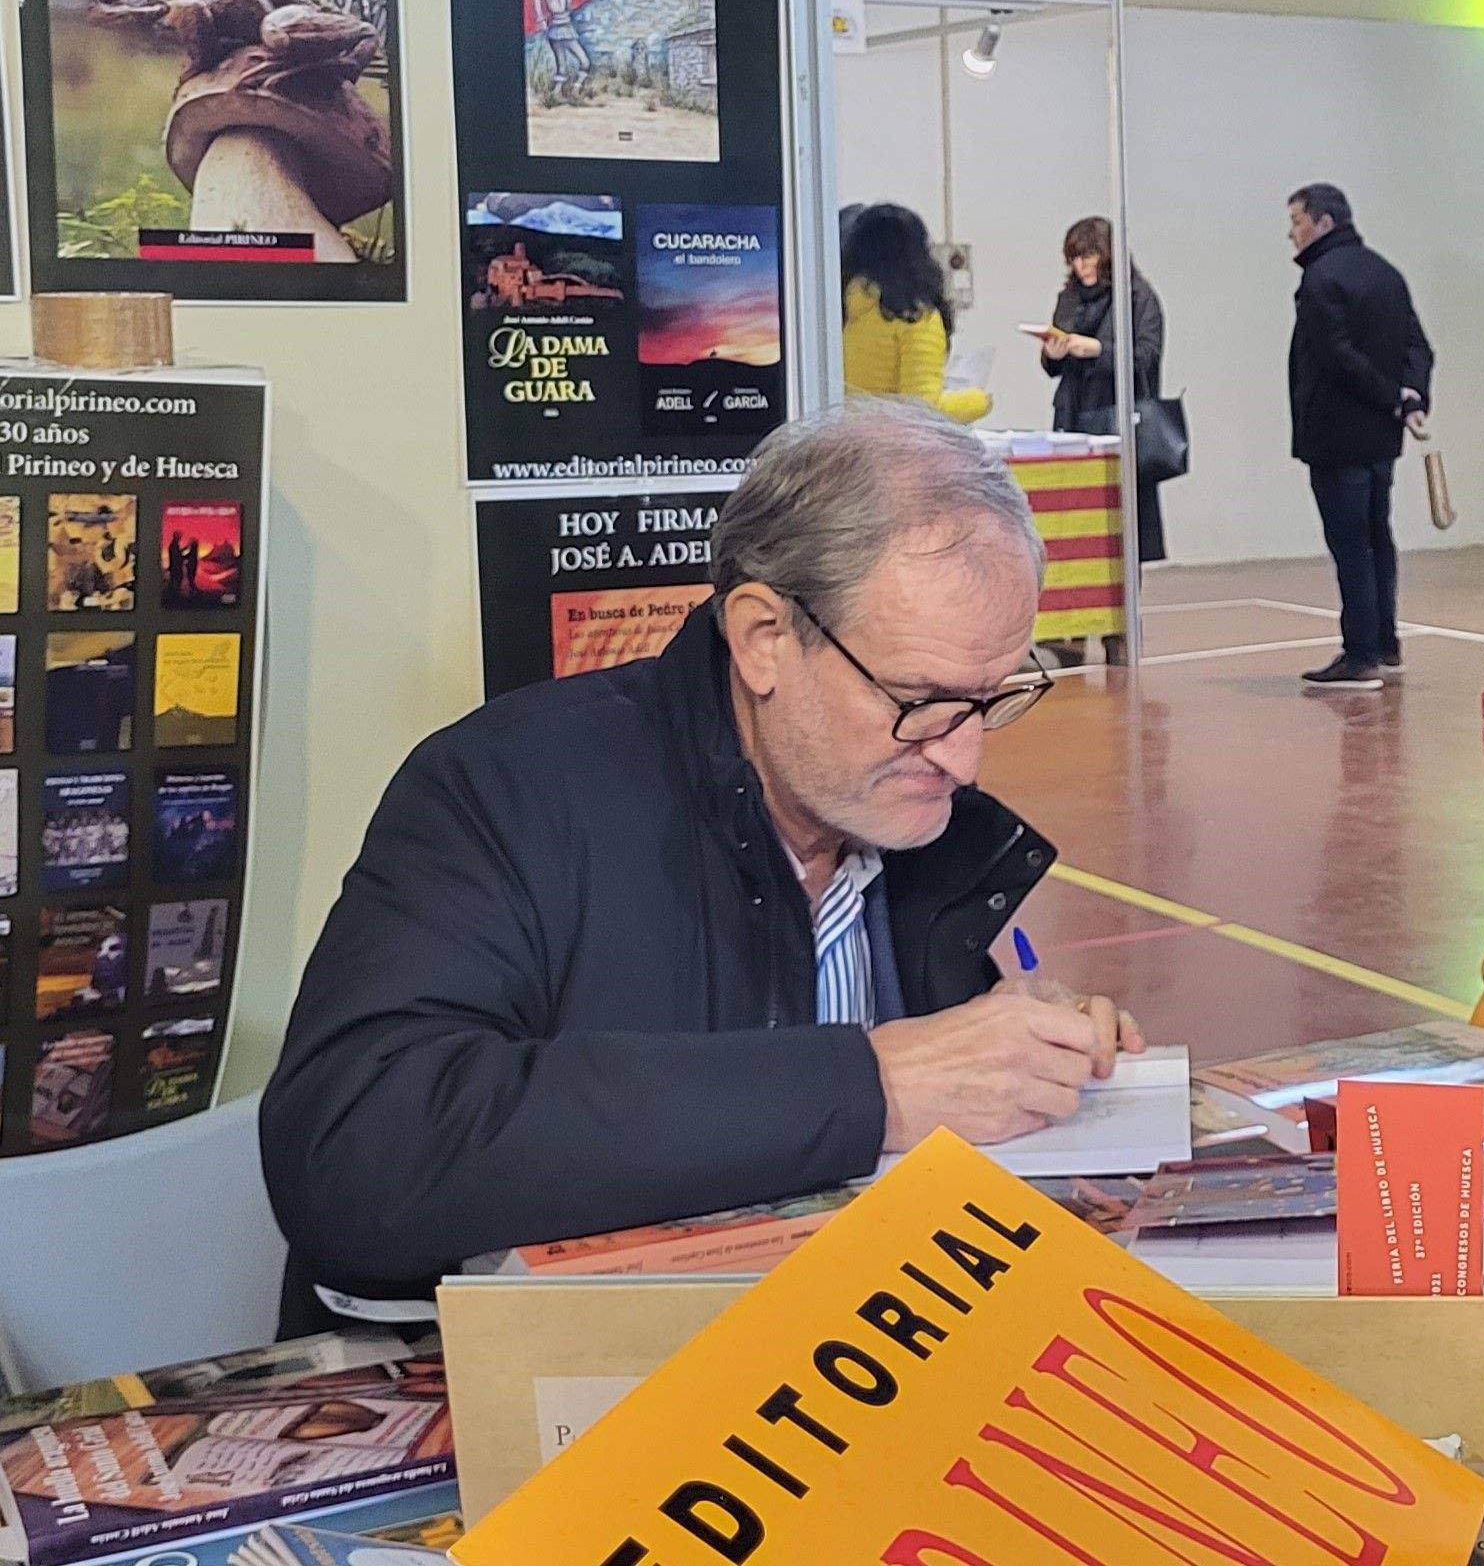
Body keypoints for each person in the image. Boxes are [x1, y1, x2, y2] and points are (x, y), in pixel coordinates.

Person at [263, 402, 1143, 1327]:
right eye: (918, 700)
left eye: (991, 698)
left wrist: (1002, 1057)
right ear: (765, 638)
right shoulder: (508, 788)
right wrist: (871, 1086)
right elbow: (357, 1152)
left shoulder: (907, 822)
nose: (963, 761)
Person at [1285, 182, 1434, 690]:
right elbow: (1418, 345)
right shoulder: (1384, 272)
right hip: (1379, 438)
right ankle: (1386, 642)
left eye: (1297, 222)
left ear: (1323, 223)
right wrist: (1410, 396)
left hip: (1336, 435)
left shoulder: (1321, 281)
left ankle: (1361, 653)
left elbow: (1335, 356)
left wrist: (1390, 395)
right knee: (1376, 538)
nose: (1291, 234)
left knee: (1350, 543)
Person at [1035, 214, 1169, 562]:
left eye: (1089, 255)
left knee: (1123, 529)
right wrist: (1053, 353)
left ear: (1108, 255)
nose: (1082, 265)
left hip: (1120, 418)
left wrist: (1095, 349)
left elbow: (1147, 357)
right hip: (1074, 415)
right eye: (1075, 258)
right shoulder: (1069, 298)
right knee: (1077, 523)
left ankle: (1127, 612)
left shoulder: (1137, 298)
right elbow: (1054, 366)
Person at [841, 202, 991, 424]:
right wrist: (978, 401)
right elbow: (920, 411)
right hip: (889, 448)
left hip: (846, 443)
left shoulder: (846, 311)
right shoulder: (914, 318)